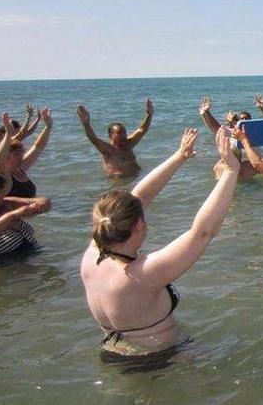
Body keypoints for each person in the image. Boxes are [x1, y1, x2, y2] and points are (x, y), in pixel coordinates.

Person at [80, 128, 238, 356]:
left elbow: (138, 198)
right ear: (138, 226)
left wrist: (180, 155)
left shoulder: (92, 254)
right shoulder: (141, 274)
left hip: (111, 353)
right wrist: (231, 171)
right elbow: (203, 233)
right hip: (158, 359)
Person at [198, 97, 263, 181]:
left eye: (246, 118)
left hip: (251, 166)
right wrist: (206, 113)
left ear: (251, 121)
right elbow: (215, 128)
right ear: (238, 121)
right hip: (238, 166)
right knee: (219, 167)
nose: (244, 120)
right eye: (242, 119)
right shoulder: (234, 131)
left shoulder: (255, 132)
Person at [0, 167, 50, 257]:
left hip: (33, 263)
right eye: (1, 192)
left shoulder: (5, 204)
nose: (4, 195)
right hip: (4, 269)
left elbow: (44, 201)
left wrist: (39, 206)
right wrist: (11, 215)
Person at [76, 99, 153, 178]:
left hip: (136, 180)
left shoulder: (128, 144)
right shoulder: (107, 150)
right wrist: (86, 123)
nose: (123, 136)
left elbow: (141, 130)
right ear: (110, 135)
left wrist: (149, 115)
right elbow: (93, 139)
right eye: (119, 133)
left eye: (124, 133)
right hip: (118, 183)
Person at [0, 108, 52, 198]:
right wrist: (7, 135)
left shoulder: (20, 169)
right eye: (16, 154)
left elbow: (37, 147)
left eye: (22, 153)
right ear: (6, 156)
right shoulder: (3, 175)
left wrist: (48, 127)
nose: (21, 156)